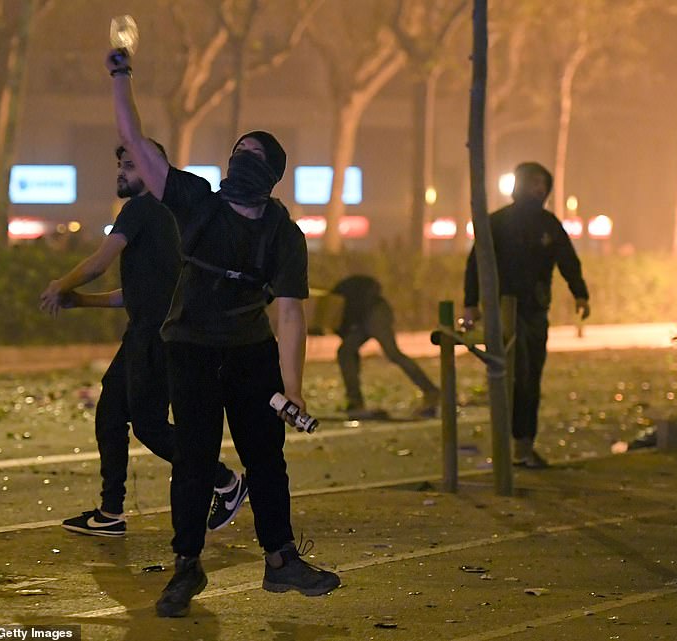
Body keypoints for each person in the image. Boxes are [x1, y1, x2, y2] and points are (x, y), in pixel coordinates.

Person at [106, 48, 340, 617]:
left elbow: (288, 314)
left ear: (269, 174)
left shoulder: (285, 234)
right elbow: (137, 143)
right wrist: (120, 78)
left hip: (249, 353)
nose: (240, 161)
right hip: (190, 349)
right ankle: (186, 566)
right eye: (237, 153)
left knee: (268, 458)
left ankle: (281, 561)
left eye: (251, 156)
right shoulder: (196, 203)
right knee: (193, 459)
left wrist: (292, 389)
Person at [39, 142, 245, 538]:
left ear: (154, 171)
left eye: (131, 165)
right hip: (155, 333)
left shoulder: (139, 209)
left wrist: (60, 284)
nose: (121, 171)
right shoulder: (174, 215)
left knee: (149, 426)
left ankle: (224, 480)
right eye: (119, 163)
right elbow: (136, 294)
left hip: (154, 337)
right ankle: (111, 511)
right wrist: (80, 301)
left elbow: (99, 263)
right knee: (111, 413)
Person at [461, 162, 590, 469]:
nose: (536, 188)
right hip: (501, 312)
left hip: (536, 311)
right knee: (512, 375)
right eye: (530, 182)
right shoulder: (497, 222)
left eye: (541, 183)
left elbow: (568, 260)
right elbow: (475, 262)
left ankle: (523, 445)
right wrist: (470, 303)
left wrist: (580, 292)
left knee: (531, 378)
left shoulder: (549, 224)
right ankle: (507, 446)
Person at [330, 275, 439, 419]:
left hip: (375, 312)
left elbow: (361, 302)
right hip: (368, 315)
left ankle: (431, 391)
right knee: (345, 352)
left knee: (393, 353)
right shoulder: (336, 303)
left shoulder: (334, 304)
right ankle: (354, 400)